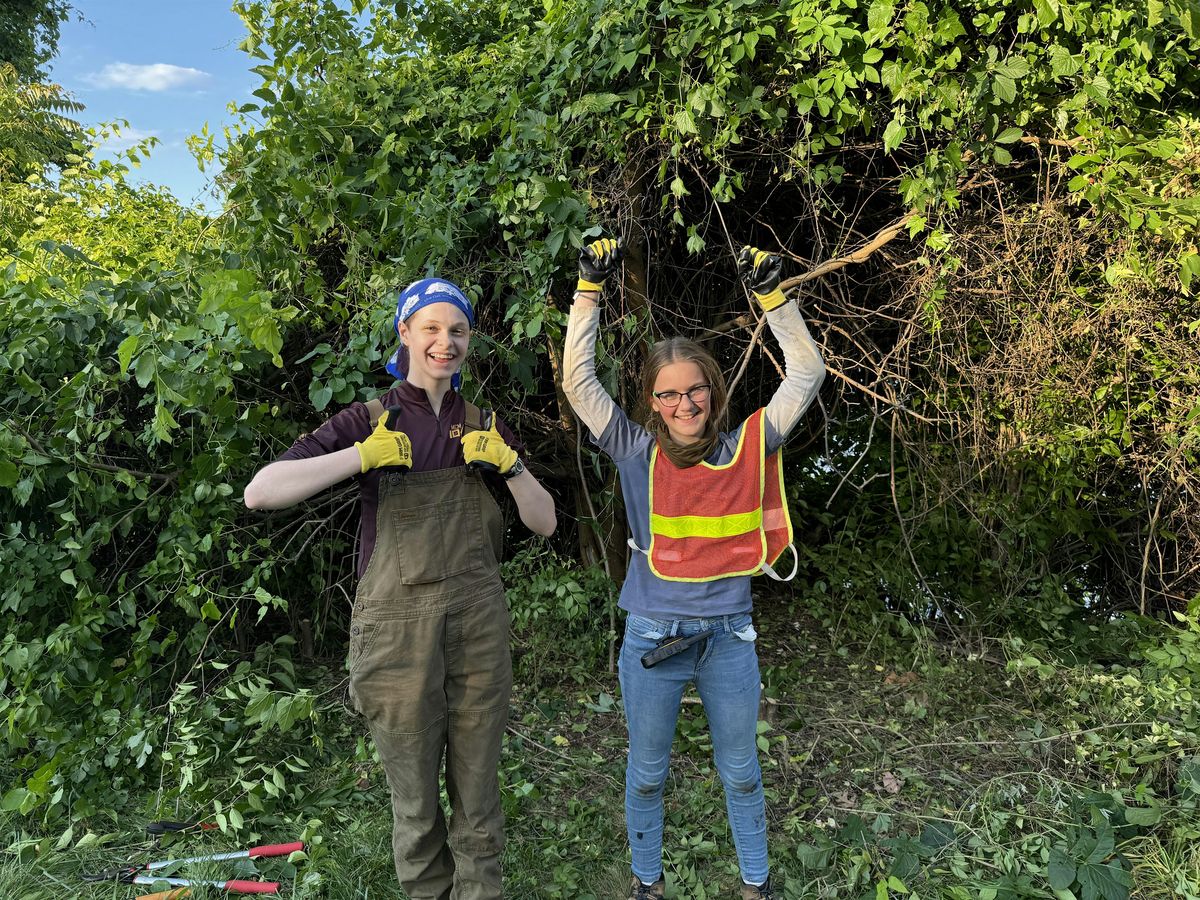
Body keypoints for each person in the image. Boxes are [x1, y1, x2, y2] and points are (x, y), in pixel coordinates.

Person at [243, 277, 555, 900]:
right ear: (405, 334)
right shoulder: (369, 419)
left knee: (478, 787)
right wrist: (361, 457)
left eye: (458, 330)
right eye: (432, 328)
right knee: (414, 796)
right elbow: (261, 492)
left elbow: (544, 522)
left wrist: (512, 467)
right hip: (396, 629)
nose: (446, 341)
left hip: (477, 624)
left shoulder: (482, 426)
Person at [562, 238, 825, 899]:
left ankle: (756, 887)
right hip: (651, 640)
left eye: (696, 390)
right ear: (652, 402)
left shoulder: (746, 448)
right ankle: (646, 885)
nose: (685, 405)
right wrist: (587, 291)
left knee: (741, 773)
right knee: (647, 774)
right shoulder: (632, 450)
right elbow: (578, 382)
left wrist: (775, 299)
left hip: (729, 640)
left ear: (711, 390)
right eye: (669, 395)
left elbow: (806, 374)